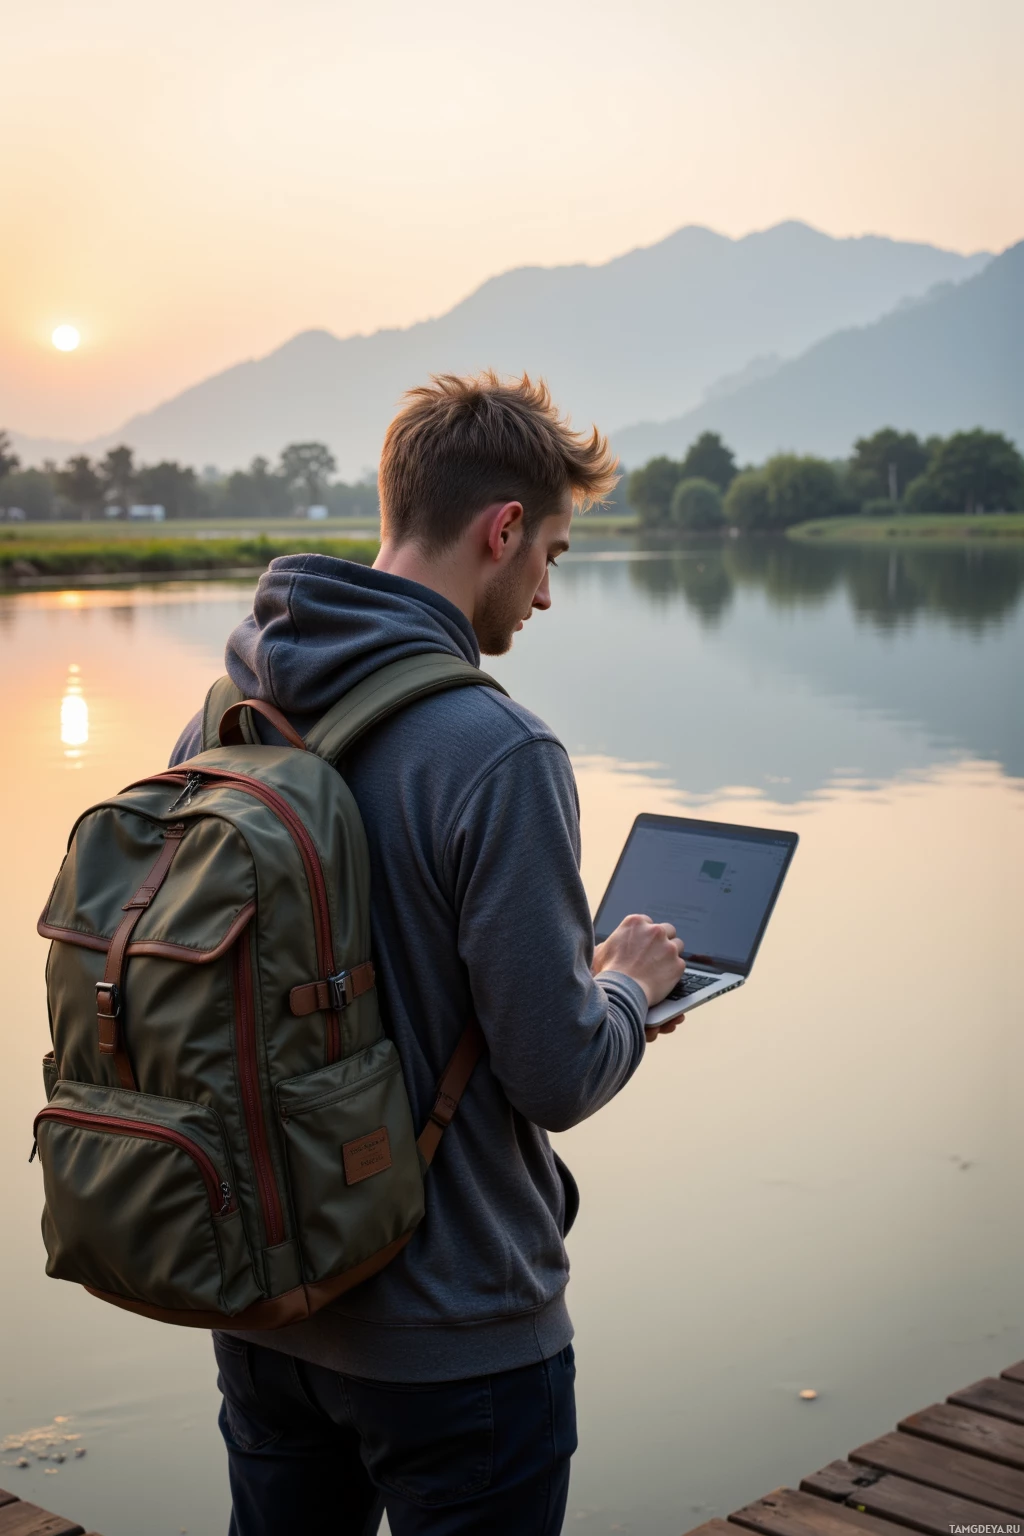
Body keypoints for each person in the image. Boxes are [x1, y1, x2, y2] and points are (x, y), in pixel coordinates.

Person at [171, 371, 686, 1536]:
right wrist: (623, 990)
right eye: (549, 551)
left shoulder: (224, 717)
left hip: (259, 1301)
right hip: (453, 1335)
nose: (545, 591)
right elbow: (553, 1074)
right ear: (500, 530)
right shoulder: (495, 747)